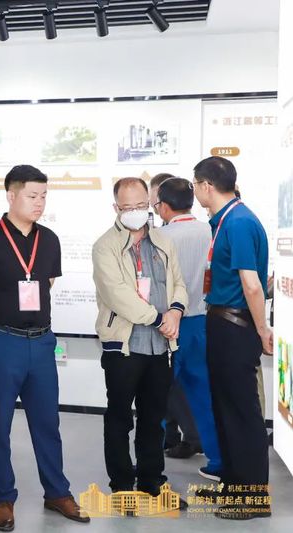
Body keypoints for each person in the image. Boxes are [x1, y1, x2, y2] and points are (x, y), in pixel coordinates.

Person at [0, 165, 89, 530]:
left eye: (44, 196)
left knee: (47, 422)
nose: (39, 203)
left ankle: (57, 492)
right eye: (32, 196)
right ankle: (3, 497)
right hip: (1, 342)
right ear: (11, 195)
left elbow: (45, 284)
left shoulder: (49, 239)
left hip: (42, 342)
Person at [91, 177, 187, 497]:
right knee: (120, 418)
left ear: (150, 204)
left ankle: (151, 481)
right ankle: (121, 484)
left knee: (153, 418)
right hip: (124, 346)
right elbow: (117, 295)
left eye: (141, 205)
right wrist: (159, 318)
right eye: (128, 206)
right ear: (116, 207)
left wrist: (176, 311)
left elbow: (178, 283)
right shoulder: (105, 246)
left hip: (160, 346)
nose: (135, 211)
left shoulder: (162, 241)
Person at [192, 156, 272, 520]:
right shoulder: (225, 220)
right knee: (225, 410)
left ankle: (253, 498)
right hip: (223, 323)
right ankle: (233, 486)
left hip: (236, 326)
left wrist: (262, 329)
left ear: (207, 186)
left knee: (241, 413)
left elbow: (252, 285)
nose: (195, 191)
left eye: (196, 184)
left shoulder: (238, 222)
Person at [153, 176, 223, 481]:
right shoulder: (211, 230)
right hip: (203, 322)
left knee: (155, 394)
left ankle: (151, 460)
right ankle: (217, 461)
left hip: (167, 323)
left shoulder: (159, 236)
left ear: (163, 206)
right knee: (204, 396)